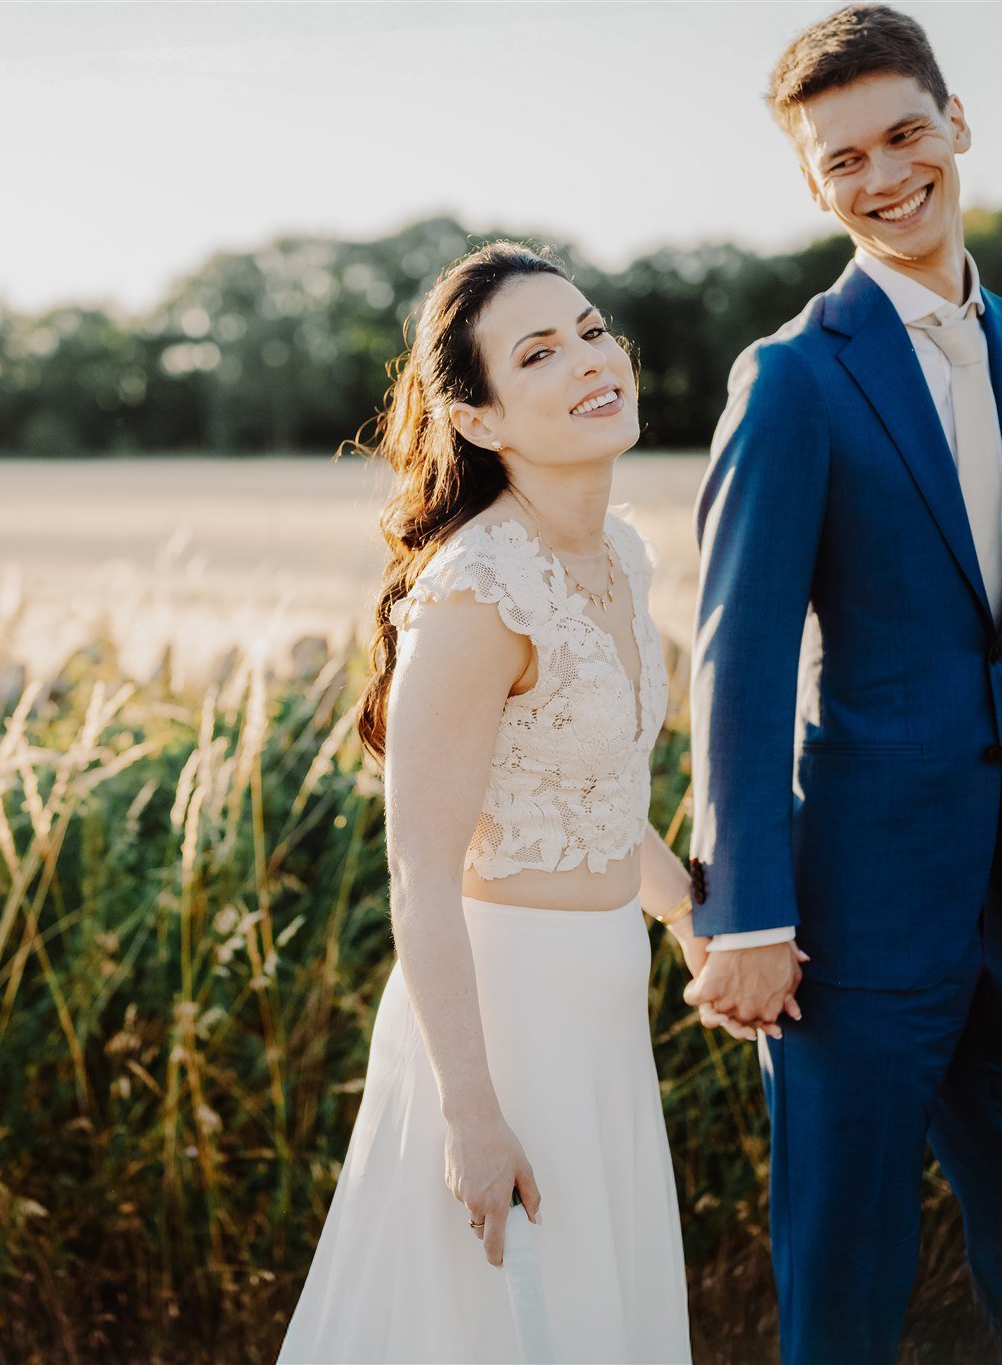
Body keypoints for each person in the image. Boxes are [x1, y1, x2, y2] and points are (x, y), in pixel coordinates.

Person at [682, 6, 1002, 1364]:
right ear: (813, 186)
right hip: (848, 926)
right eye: (842, 161)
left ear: (956, 126)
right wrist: (744, 908)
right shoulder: (795, 380)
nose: (881, 177)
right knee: (848, 1294)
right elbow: (738, 656)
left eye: (903, 136)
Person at [277, 242, 747, 1363]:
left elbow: (583, 796)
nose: (592, 361)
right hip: (497, 1013)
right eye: (538, 352)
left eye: (590, 330)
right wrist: (470, 1114)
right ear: (480, 420)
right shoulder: (474, 590)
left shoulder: (618, 555)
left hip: (598, 1000)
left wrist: (688, 915)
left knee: (596, 1311)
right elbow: (419, 874)